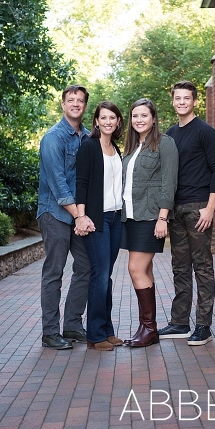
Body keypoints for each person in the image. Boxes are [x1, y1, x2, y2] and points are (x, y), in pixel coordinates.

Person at [157, 81, 215, 346]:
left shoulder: (206, 132)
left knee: (203, 267)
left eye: (186, 98)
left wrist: (210, 208)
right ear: (173, 102)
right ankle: (180, 322)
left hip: (199, 208)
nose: (182, 102)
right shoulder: (171, 134)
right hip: (175, 209)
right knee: (180, 266)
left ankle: (203, 326)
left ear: (194, 101)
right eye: (177, 98)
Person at [37, 85, 92, 350]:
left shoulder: (88, 137)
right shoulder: (53, 138)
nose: (75, 104)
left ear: (84, 106)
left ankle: (72, 324)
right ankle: (50, 332)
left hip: (79, 216)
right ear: (63, 104)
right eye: (71, 100)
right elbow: (58, 183)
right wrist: (78, 215)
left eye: (80, 100)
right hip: (55, 214)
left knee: (86, 267)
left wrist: (84, 215)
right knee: (54, 272)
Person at [121, 98, 178, 347]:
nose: (139, 120)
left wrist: (162, 217)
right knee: (144, 271)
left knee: (135, 268)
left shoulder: (165, 144)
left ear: (153, 118)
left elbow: (169, 183)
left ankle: (150, 328)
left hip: (150, 216)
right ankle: (146, 328)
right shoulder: (132, 148)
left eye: (144, 115)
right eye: (135, 116)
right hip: (130, 216)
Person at [74, 101, 126, 351]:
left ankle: (106, 329)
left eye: (112, 118)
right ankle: (95, 335)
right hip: (96, 219)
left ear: (118, 122)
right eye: (103, 117)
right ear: (96, 121)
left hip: (115, 218)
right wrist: (81, 217)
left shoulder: (115, 148)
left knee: (106, 276)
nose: (107, 121)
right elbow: (81, 184)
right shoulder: (89, 146)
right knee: (100, 274)